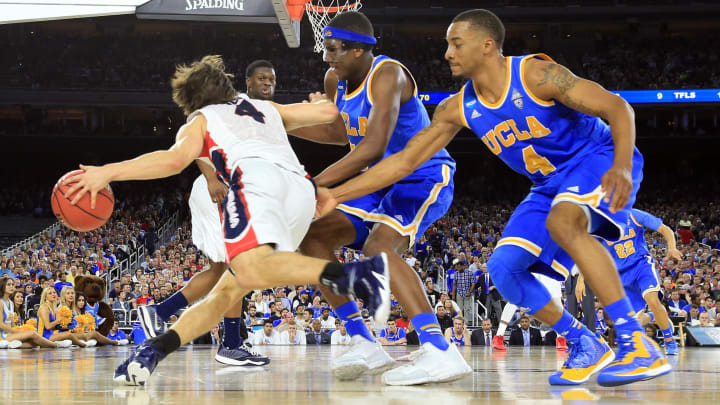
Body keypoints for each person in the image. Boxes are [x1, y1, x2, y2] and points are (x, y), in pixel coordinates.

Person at [314, 9, 670, 386]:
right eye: (447, 45)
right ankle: (586, 341)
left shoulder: (535, 75)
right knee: (504, 269)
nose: (448, 53)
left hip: (597, 159)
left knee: (564, 221)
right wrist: (331, 194)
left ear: (487, 46)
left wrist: (622, 167)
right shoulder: (456, 108)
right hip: (548, 185)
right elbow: (402, 162)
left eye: (456, 43)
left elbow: (618, 107)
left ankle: (637, 344)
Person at [63, 55, 390, 386]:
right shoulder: (265, 108)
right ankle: (153, 353)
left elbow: (173, 160)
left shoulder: (201, 119)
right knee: (229, 290)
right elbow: (326, 114)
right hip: (302, 190)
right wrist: (322, 104)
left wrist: (108, 171)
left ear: (191, 101)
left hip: (254, 181)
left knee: (248, 271)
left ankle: (356, 273)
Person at [295, 11, 470, 385]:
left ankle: (439, 349)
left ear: (359, 50)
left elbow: (373, 147)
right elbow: (343, 134)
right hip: (376, 181)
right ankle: (363, 341)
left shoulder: (389, 74)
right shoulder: (334, 79)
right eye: (326, 49)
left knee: (378, 249)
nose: (327, 57)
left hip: (420, 175)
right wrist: (286, 122)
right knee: (312, 237)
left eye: (334, 49)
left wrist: (314, 186)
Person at [136, 60, 279, 368]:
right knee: (238, 267)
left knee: (221, 271)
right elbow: (200, 139)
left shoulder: (264, 114)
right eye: (261, 78)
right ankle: (229, 344)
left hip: (227, 192)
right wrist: (213, 178)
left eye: (272, 79)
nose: (267, 83)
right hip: (218, 191)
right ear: (247, 81)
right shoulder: (232, 105)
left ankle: (161, 313)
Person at [576, 209, 682, 355]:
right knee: (635, 323)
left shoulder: (634, 214)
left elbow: (665, 229)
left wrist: (672, 247)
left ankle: (670, 341)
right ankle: (654, 317)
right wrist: (581, 279)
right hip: (622, 277)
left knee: (652, 300)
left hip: (641, 266)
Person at [0, 278, 69, 349]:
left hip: (9, 334)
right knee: (33, 334)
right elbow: (1, 325)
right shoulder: (0, 302)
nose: (11, 286)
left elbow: (12, 324)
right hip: (2, 335)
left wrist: (19, 330)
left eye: (12, 284)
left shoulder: (11, 303)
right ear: (2, 286)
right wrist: (17, 331)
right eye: (8, 284)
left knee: (36, 342)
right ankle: (56, 345)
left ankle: (10, 345)